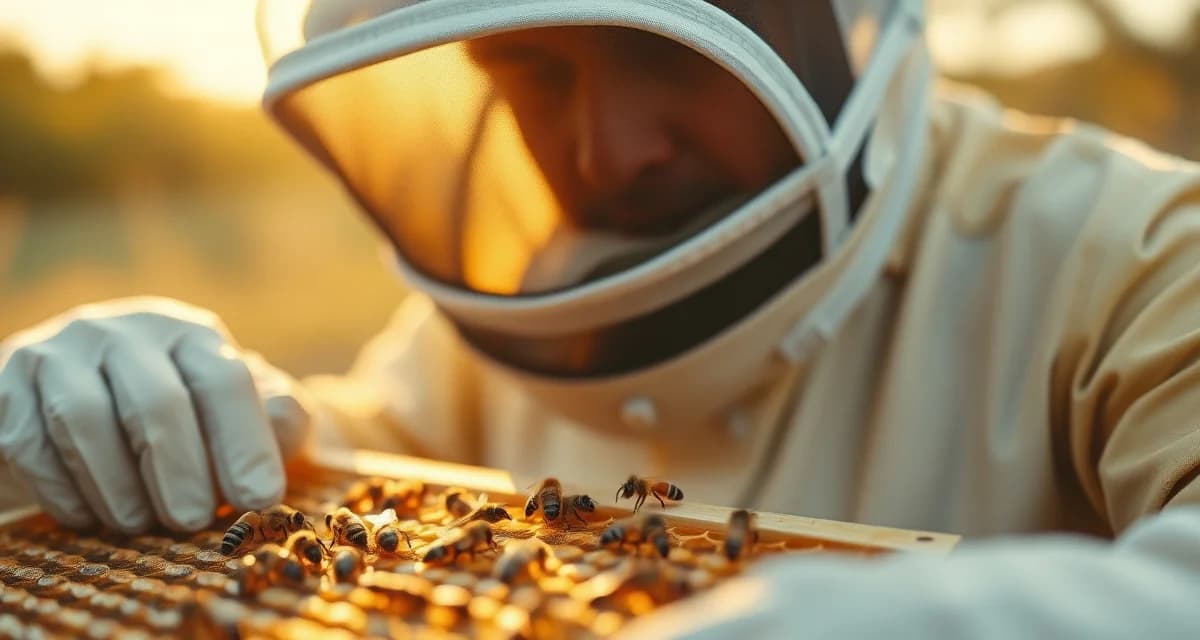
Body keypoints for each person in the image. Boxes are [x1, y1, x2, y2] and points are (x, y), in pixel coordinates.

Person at [3, 0, 1200, 635]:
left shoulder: (1132, 253)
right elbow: (326, 468)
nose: (605, 153)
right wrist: (143, 399)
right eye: (533, 73)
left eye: (667, 50)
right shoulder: (502, 322)